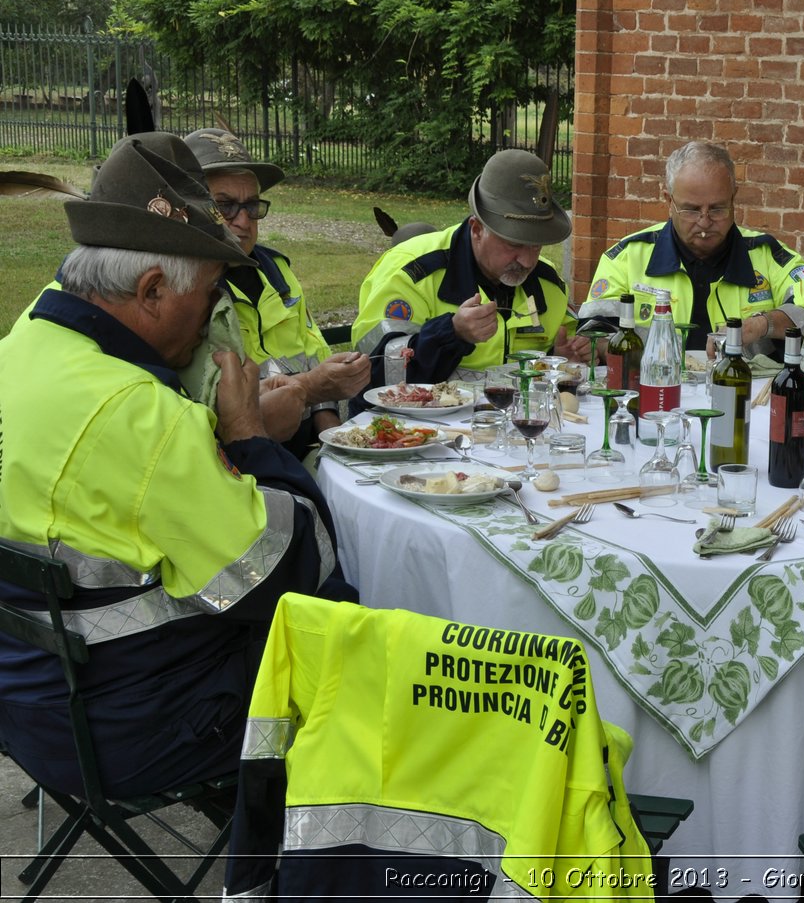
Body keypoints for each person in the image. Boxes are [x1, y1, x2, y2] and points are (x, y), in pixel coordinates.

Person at [0, 134, 346, 799]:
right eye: (213, 293)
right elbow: (293, 573)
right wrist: (248, 438)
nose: (211, 318)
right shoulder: (143, 416)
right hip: (125, 733)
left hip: (27, 709)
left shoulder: (23, 346)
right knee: (343, 651)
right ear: (153, 289)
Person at [184, 128, 370, 456]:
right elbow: (210, 414)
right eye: (225, 206)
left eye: (252, 206)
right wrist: (309, 388)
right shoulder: (183, 291)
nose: (243, 220)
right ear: (189, 206)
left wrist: (335, 444)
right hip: (238, 463)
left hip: (302, 449)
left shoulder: (276, 271)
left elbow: (312, 353)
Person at [353, 149, 589, 385]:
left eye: (536, 246)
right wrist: (452, 334)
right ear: (477, 230)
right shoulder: (411, 271)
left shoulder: (548, 283)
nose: (528, 261)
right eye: (515, 244)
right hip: (405, 421)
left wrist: (561, 360)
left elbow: (561, 358)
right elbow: (373, 370)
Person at [578, 141, 804, 356]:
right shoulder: (627, 257)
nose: (705, 222)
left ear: (733, 197)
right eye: (692, 210)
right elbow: (592, 331)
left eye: (717, 209)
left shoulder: (768, 255)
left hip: (747, 396)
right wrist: (598, 346)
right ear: (668, 201)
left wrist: (762, 324)